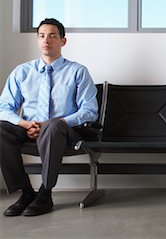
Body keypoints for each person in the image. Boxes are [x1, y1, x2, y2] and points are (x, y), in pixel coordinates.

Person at [0, 18, 98, 216]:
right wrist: (25, 123)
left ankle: (45, 193)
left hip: (63, 130)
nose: (47, 40)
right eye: (42, 36)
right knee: (1, 128)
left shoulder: (77, 71)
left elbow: (89, 110)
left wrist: (54, 123)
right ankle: (26, 192)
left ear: (63, 41)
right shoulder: (22, 72)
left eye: (53, 36)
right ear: (37, 40)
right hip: (30, 127)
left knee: (53, 126)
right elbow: (4, 107)